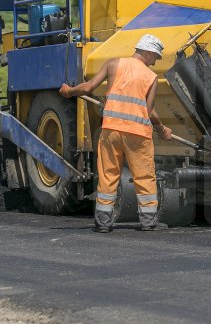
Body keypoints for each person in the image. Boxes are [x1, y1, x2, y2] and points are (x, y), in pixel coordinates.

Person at [59, 34, 173, 233]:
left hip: (111, 130)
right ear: (148, 52)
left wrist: (69, 91)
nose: (155, 62)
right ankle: (148, 222)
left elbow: (87, 87)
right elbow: (148, 111)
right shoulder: (150, 77)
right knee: (144, 176)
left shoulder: (114, 64)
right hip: (137, 134)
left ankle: (103, 222)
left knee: (108, 174)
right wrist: (162, 129)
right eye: (156, 57)